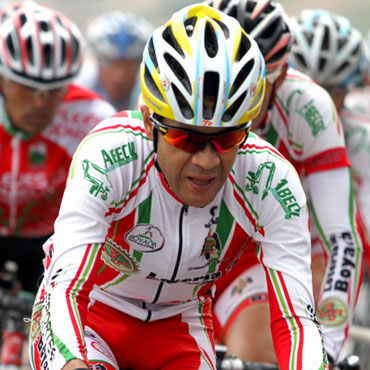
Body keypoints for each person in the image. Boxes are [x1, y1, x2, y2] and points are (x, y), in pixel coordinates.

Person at [28, 4, 328, 370]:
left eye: (228, 138)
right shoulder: (109, 155)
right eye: (186, 138)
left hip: (179, 324)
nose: (206, 160)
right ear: (150, 123)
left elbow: (296, 321)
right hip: (91, 314)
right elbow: (66, 290)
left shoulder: (269, 179)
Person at [207, 0, 363, 366]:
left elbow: (339, 237)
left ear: (282, 74)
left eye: (255, 86)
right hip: (193, 251)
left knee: (257, 353)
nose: (241, 99)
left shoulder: (308, 106)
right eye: (228, 84)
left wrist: (329, 345)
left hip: (261, 252)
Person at [0, 1, 116, 296]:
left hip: (53, 240)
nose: (40, 102)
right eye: (27, 86)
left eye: (54, 89)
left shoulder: (92, 117)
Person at [289, 7, 370, 361]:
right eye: (308, 88)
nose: (319, 104)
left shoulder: (361, 136)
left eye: (333, 91)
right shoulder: (264, 126)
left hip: (339, 264)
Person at [76, 10, 153, 112]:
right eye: (110, 64)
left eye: (128, 66)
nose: (118, 77)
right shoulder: (79, 84)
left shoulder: (151, 89)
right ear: (97, 60)